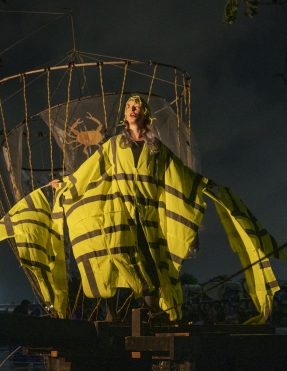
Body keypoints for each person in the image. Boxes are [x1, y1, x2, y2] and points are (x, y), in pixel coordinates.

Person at [50, 95, 211, 322]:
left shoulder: (157, 150)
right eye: (129, 107)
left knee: (151, 261)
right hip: (119, 213)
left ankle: (151, 312)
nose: (132, 110)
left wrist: (202, 185)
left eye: (137, 107)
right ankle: (111, 315)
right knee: (112, 256)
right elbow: (89, 171)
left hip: (148, 217)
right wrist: (66, 183)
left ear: (146, 115)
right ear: (125, 116)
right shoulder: (113, 146)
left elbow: (180, 175)